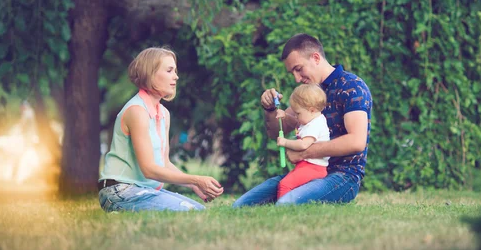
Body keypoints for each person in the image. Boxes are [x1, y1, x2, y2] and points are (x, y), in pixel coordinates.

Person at [233, 33, 372, 207]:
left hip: (343, 177)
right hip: (307, 172)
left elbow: (357, 141)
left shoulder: (352, 87)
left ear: (315, 57)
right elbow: (276, 131)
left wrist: (304, 152)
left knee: (285, 204)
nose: (297, 79)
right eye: (292, 73)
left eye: (298, 69)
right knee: (240, 206)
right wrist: (270, 109)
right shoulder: (307, 93)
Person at [98, 47, 224, 212]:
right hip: (119, 191)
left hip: (143, 190)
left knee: (199, 209)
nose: (176, 76)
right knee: (193, 211)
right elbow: (149, 169)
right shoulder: (137, 111)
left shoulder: (163, 114)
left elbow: (163, 163)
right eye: (169, 70)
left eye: (175, 71)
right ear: (150, 73)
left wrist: (193, 185)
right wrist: (196, 179)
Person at [276, 84, 330, 199]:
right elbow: (296, 123)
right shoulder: (311, 120)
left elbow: (303, 144)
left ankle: (282, 208)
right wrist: (285, 116)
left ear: (311, 109)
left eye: (298, 113)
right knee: (291, 184)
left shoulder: (315, 124)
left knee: (285, 184)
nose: (296, 116)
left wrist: (285, 142)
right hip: (307, 166)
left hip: (313, 167)